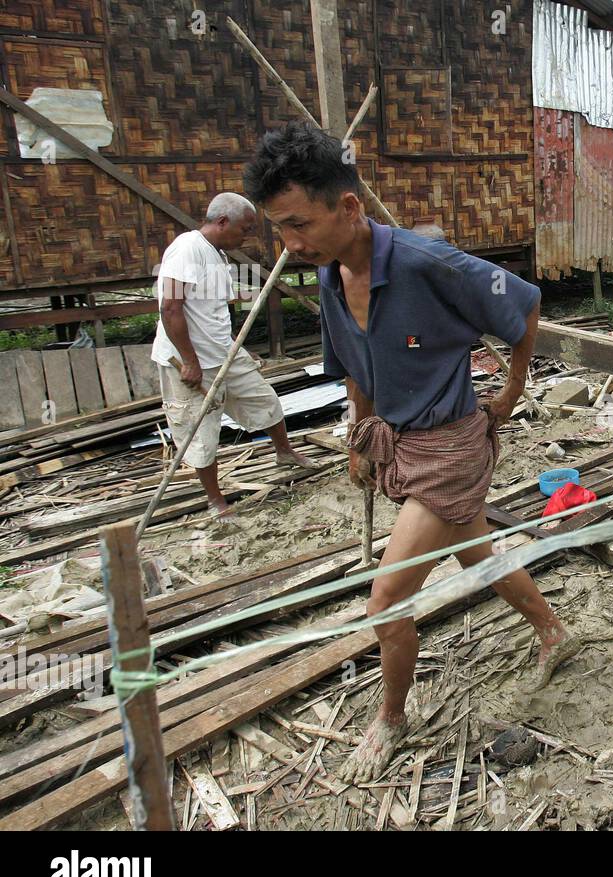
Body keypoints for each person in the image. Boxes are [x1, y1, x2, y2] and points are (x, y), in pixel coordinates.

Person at [244, 122, 581, 783]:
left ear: (348, 207)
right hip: (400, 444)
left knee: (386, 603)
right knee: (476, 552)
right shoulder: (332, 279)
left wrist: (511, 389)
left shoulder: (430, 264)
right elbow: (355, 366)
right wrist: (359, 437)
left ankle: (391, 717)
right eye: (279, 228)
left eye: (298, 224)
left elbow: (526, 303)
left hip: (452, 449)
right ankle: (553, 629)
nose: (290, 243)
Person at [152, 192, 318, 516]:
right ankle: (216, 500)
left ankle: (284, 452)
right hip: (188, 360)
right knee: (199, 431)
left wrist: (236, 347)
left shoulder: (218, 255)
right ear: (222, 221)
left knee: (265, 400)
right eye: (244, 229)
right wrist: (189, 361)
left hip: (221, 354)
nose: (247, 236)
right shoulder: (187, 250)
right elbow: (170, 307)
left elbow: (212, 312)